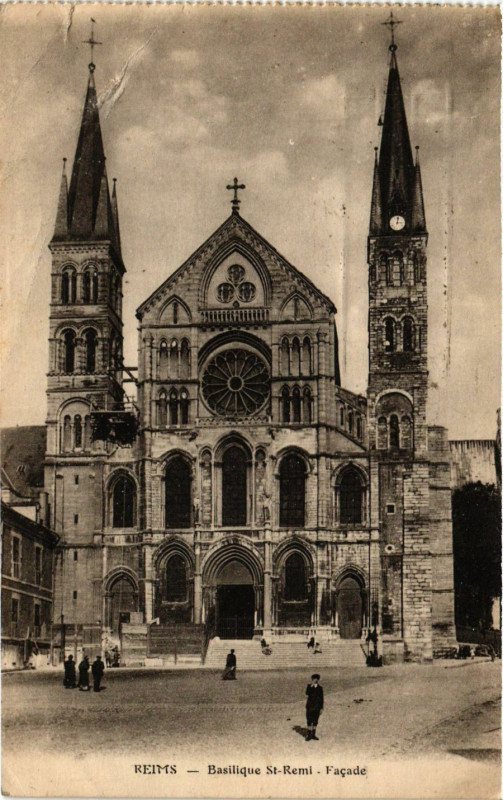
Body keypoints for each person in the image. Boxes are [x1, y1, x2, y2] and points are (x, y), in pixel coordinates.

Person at [305, 673, 324, 741]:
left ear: (318, 680)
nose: (315, 680)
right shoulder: (309, 686)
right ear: (312, 679)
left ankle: (313, 735)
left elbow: (322, 699)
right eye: (314, 679)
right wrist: (311, 686)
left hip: (317, 707)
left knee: (315, 721)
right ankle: (309, 735)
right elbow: (307, 693)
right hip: (309, 707)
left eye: (316, 679)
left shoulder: (320, 688)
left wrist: (321, 708)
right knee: (309, 721)